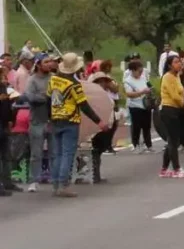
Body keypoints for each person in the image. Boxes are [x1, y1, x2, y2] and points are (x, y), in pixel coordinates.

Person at [47, 53, 107, 197]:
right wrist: (99, 121)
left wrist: (49, 118)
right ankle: (64, 185)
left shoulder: (53, 80)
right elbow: (84, 105)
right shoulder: (74, 85)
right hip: (70, 120)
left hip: (55, 120)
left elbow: (47, 100)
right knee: (67, 154)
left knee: (57, 154)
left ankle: (55, 184)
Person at [19, 54, 52, 193]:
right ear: (38, 64)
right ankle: (34, 180)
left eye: (50, 61)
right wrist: (46, 97)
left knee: (54, 152)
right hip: (37, 121)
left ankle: (56, 178)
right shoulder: (32, 80)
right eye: (46, 62)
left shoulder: (54, 79)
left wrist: (46, 96)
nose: (49, 64)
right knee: (36, 153)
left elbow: (59, 96)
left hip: (52, 120)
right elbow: (30, 97)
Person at [159, 54, 184, 178]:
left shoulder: (176, 76)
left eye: (179, 62)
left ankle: (164, 169)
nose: (179, 64)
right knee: (173, 140)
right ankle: (177, 168)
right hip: (168, 109)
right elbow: (175, 96)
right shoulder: (167, 77)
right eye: (176, 62)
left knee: (173, 140)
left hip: (175, 110)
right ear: (169, 65)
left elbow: (180, 93)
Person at [87, 72, 118, 183]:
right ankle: (91, 175)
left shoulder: (108, 94)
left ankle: (96, 174)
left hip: (107, 125)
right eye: (99, 81)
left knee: (99, 150)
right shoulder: (90, 95)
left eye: (104, 81)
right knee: (93, 150)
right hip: (95, 125)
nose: (102, 84)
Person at [122, 58, 155, 154]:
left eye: (141, 71)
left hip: (146, 105)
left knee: (147, 126)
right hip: (135, 106)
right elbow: (129, 94)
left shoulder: (143, 77)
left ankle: (148, 145)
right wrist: (142, 92)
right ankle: (136, 145)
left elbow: (149, 86)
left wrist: (150, 90)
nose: (140, 73)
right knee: (136, 127)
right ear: (133, 70)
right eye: (139, 71)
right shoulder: (128, 81)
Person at [0, 66, 14, 196]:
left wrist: (10, 119)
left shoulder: (4, 86)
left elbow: (7, 105)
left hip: (4, 123)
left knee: (6, 155)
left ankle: (7, 182)